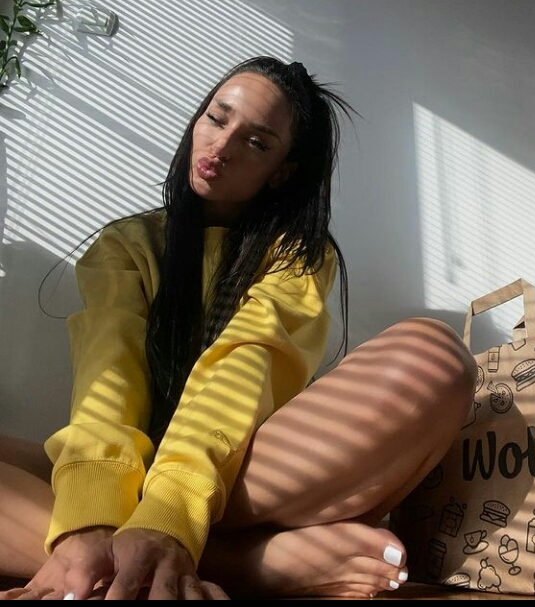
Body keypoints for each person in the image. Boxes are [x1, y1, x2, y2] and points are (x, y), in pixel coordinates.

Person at [0, 55, 476, 600]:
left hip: (242, 469)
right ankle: (245, 565)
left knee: (435, 358)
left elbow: (242, 366)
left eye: (256, 142)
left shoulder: (297, 255)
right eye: (217, 118)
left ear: (282, 170)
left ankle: (161, 546)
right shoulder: (127, 244)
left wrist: (171, 509)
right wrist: (90, 516)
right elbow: (109, 380)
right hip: (128, 463)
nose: (221, 146)